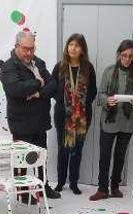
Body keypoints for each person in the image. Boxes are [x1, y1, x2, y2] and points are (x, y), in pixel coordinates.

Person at [0, 31, 60, 201]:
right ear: (17, 46)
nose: (29, 53)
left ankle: (43, 186)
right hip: (21, 123)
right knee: (22, 160)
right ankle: (22, 192)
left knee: (41, 156)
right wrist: (39, 82)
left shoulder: (39, 63)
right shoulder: (8, 67)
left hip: (40, 120)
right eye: (25, 49)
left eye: (31, 49)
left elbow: (54, 85)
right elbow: (16, 89)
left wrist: (39, 94)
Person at [90, 39, 133, 201]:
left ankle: (115, 187)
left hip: (127, 122)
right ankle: (102, 189)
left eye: (130, 56)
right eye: (124, 55)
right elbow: (100, 95)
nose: (127, 59)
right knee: (105, 155)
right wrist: (107, 100)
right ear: (119, 54)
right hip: (109, 121)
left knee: (120, 156)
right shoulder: (108, 71)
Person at [53, 33, 97, 195]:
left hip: (82, 117)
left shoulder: (88, 68)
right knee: (62, 149)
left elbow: (93, 91)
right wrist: (65, 103)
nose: (73, 48)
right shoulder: (60, 67)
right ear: (67, 47)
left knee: (77, 150)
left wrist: (80, 106)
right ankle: (60, 182)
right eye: (70, 44)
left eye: (77, 45)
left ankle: (74, 183)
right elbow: (52, 88)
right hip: (62, 115)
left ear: (82, 50)